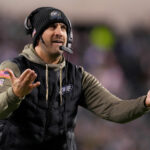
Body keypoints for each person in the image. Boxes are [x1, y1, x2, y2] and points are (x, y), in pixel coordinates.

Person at [0, 6, 150, 150]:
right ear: (37, 35)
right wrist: (15, 94)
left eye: (63, 28)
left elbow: (112, 109)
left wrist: (144, 102)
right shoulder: (14, 68)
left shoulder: (77, 76)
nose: (59, 32)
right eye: (52, 27)